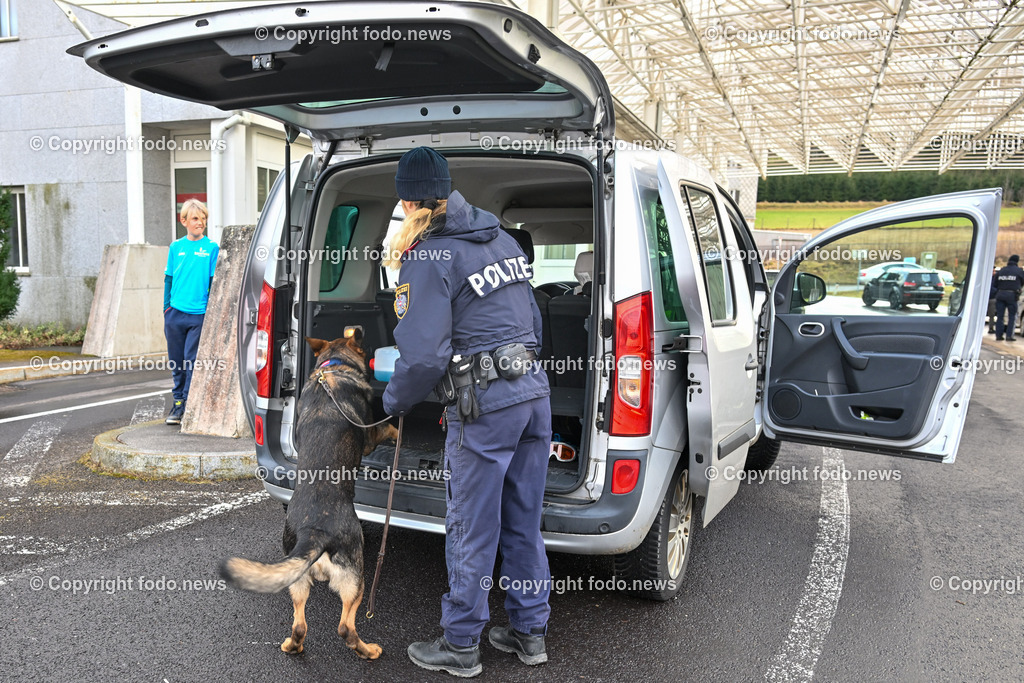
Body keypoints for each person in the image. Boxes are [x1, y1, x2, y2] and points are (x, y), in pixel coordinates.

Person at [381, 147, 552, 678]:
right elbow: (535, 326)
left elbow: (425, 356)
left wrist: (390, 404)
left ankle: (460, 644)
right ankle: (529, 633)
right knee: (522, 520)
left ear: (408, 201)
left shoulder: (427, 255)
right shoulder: (500, 239)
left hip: (485, 409)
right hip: (533, 398)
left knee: (470, 525)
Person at [163, 199, 219, 425]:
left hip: (198, 314)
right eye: (196, 219)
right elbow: (168, 279)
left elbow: (214, 282)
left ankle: (185, 403)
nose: (201, 223)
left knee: (191, 361)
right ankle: (177, 402)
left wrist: (209, 313)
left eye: (203, 218)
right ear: (183, 220)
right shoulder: (176, 247)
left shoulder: (212, 248)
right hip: (175, 314)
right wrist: (166, 309)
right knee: (177, 361)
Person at [993, 254, 1024, 342]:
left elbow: (995, 284)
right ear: (1017, 261)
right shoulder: (1019, 271)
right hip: (1012, 296)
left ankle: (999, 335)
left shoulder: (1002, 271)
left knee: (1000, 316)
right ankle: (1009, 336)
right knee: (1012, 316)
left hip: (1000, 294)